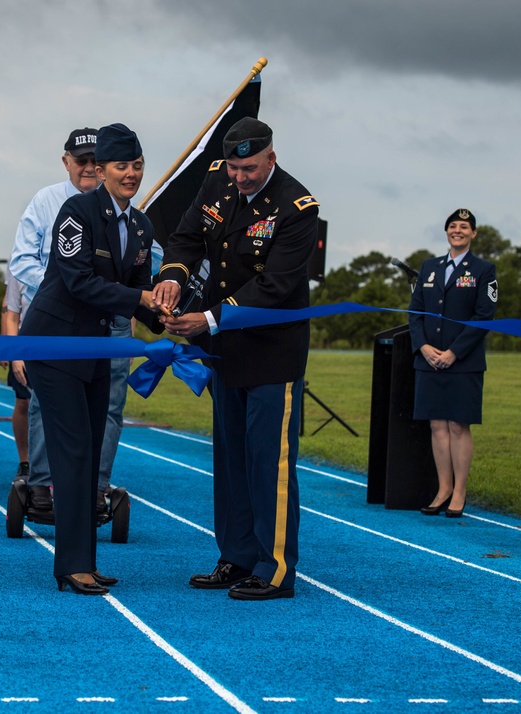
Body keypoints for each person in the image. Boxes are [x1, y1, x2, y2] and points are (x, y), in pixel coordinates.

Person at [154, 117, 319, 601]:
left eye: (250, 168)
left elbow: (277, 285)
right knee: (230, 462)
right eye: (234, 168)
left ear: (271, 156)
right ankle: (236, 557)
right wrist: (173, 278)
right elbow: (185, 237)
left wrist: (208, 318)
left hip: (272, 354)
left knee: (269, 461)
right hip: (225, 352)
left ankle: (274, 569)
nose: (241, 177)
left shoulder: (297, 206)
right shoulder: (217, 181)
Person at [22, 123, 158, 595]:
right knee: (74, 452)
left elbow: (141, 292)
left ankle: (86, 561)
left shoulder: (141, 225)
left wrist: (175, 318)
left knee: (93, 452)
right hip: (55, 345)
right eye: (122, 165)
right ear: (100, 170)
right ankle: (71, 566)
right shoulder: (76, 212)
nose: (131, 174)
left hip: (100, 349)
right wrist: (141, 300)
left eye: (137, 165)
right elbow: (79, 282)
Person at [9, 126, 132, 517]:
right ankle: (43, 484)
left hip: (109, 322)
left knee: (110, 406)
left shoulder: (127, 206)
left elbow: (152, 256)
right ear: (66, 162)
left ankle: (95, 488)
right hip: (59, 322)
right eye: (82, 161)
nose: (90, 168)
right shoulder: (44, 202)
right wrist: (64, 286)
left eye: (98, 161)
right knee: (46, 403)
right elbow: (21, 260)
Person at [409, 208, 497, 519]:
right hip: (430, 360)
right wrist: (423, 347)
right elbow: (415, 311)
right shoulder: (429, 267)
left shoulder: (484, 270)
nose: (457, 230)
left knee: (458, 425)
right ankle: (443, 489)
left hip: (464, 361)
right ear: (446, 232)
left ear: (473, 233)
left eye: (464, 226)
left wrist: (454, 352)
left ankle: (459, 491)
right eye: (452, 226)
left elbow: (484, 316)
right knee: (437, 425)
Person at [2, 273, 30, 477]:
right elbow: (10, 308)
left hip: (55, 344)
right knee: (24, 403)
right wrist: (10, 349)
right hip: (24, 343)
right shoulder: (20, 261)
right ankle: (25, 461)